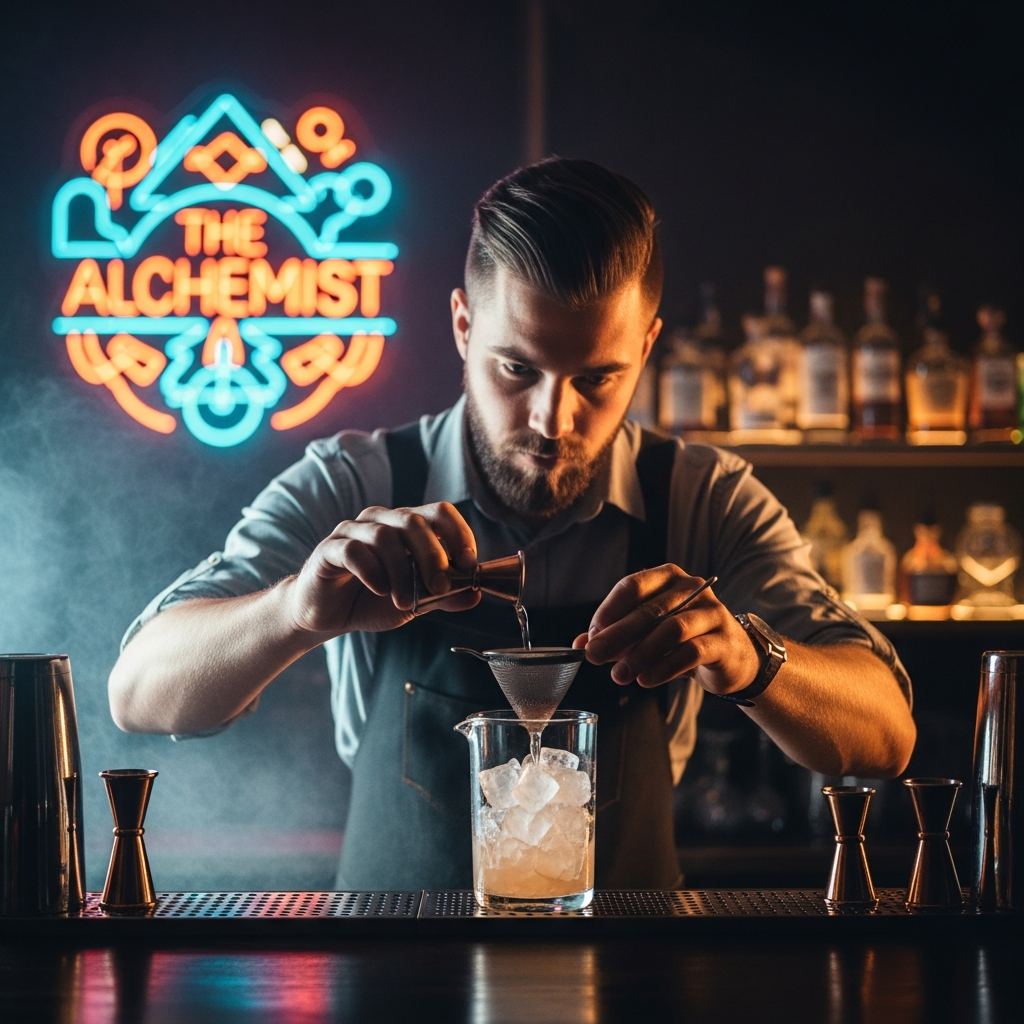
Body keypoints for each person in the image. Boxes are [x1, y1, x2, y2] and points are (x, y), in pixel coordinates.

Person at [109, 159, 915, 890]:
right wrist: (294, 612)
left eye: (599, 377)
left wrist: (749, 657)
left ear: (648, 344)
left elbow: (886, 737)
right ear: (463, 326)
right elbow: (140, 693)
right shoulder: (356, 481)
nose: (553, 419)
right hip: (396, 981)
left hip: (629, 985)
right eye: (517, 368)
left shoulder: (705, 499)